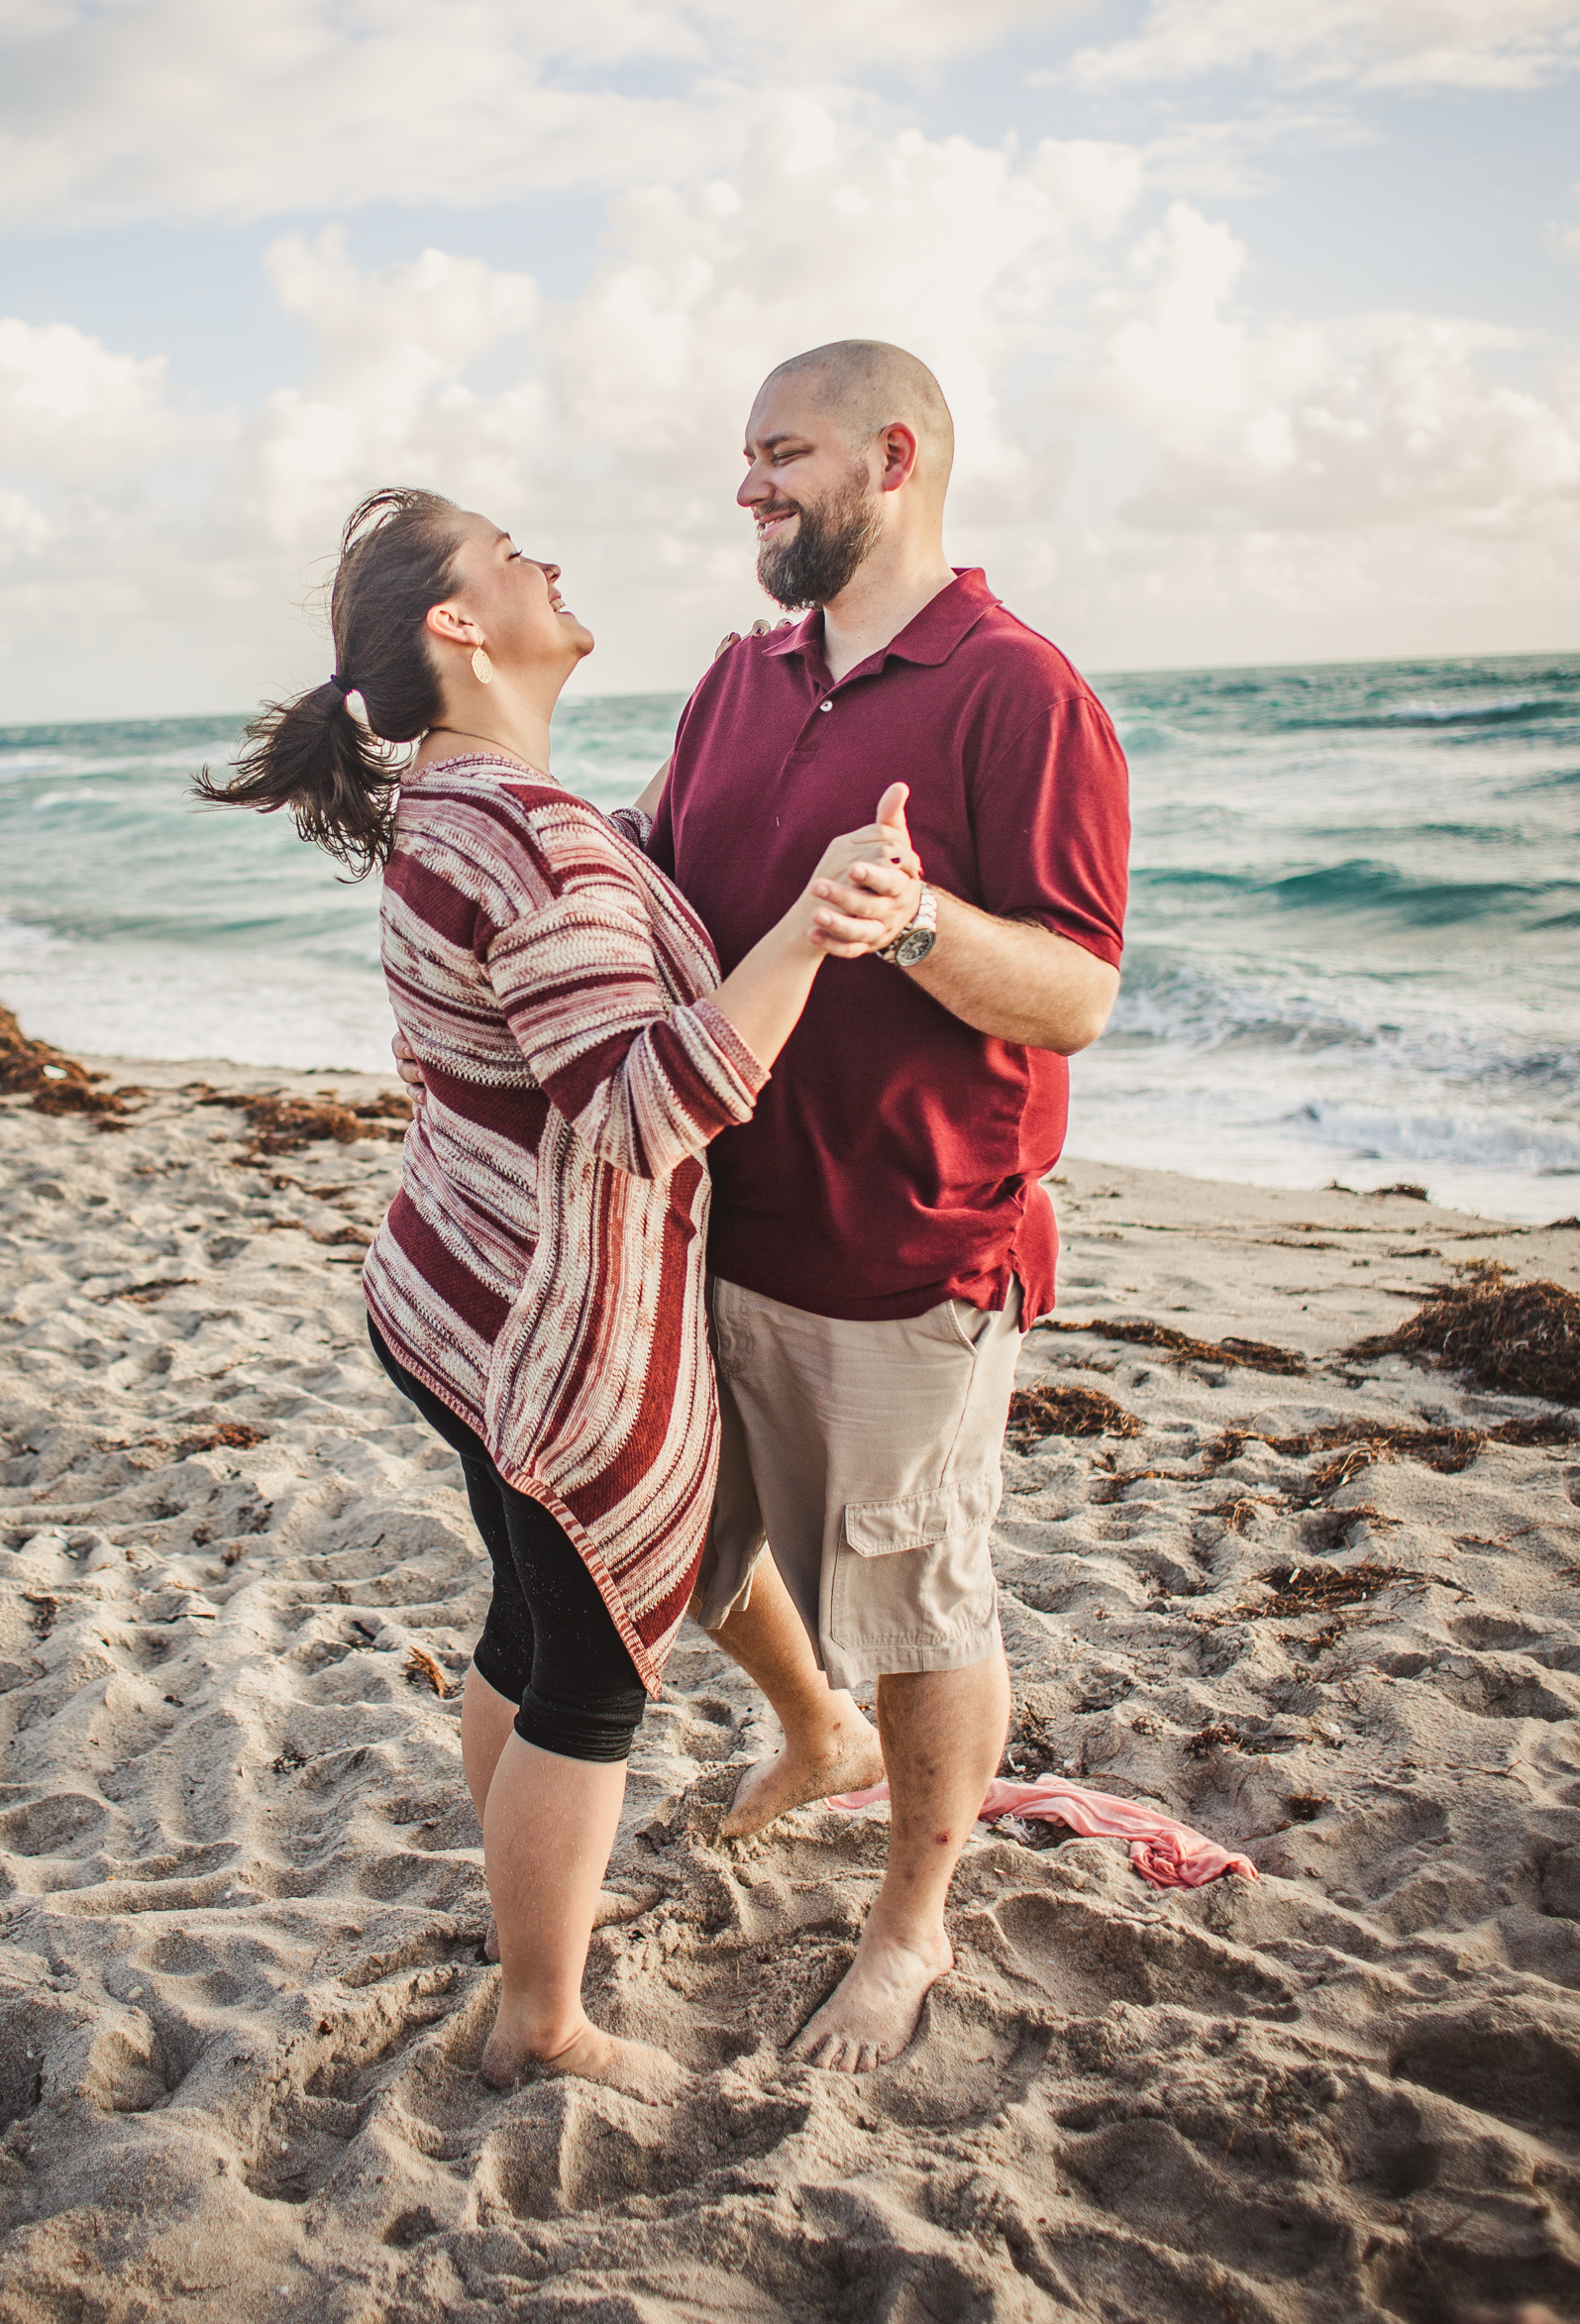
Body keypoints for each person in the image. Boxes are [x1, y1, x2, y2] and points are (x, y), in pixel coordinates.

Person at [198, 487, 919, 2100]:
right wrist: (816, 921)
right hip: (546, 1321)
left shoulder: (478, 806)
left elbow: (589, 945)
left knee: (531, 1628)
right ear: (461, 626)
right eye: (512, 556)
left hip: (453, 1290)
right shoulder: (520, 829)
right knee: (586, 1673)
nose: (549, 563)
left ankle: (637, 1853)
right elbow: (637, 1102)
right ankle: (546, 2021)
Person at [628, 339, 1131, 2073]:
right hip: (707, 1232)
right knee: (681, 1567)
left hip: (910, 1257)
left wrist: (914, 922)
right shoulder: (737, 681)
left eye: (781, 452)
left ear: (893, 454)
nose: (748, 486)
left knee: (923, 1619)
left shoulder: (1017, 691)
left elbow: (1074, 997)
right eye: (747, 457)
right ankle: (811, 1732)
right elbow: (663, 882)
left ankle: (911, 1921)